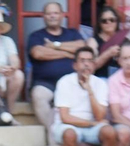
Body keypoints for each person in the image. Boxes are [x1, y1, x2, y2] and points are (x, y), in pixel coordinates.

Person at [53, 46, 128, 146]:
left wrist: (90, 90)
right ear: (75, 65)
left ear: (94, 65)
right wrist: (92, 123)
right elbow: (65, 117)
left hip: (92, 127)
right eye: (82, 61)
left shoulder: (100, 84)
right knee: (70, 134)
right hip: (68, 126)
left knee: (109, 132)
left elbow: (100, 116)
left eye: (90, 61)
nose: (86, 64)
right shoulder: (65, 82)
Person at [28, 2, 89, 130]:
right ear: (43, 17)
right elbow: (38, 53)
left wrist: (55, 45)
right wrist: (67, 54)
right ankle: (53, 131)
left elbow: (82, 47)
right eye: (49, 13)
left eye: (55, 13)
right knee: (38, 95)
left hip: (72, 83)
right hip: (46, 83)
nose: (52, 16)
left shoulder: (72, 33)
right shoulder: (36, 36)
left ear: (62, 15)